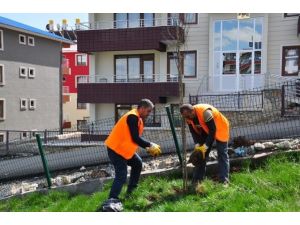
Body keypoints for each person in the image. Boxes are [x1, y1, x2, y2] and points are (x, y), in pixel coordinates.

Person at [100, 99, 161, 212]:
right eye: (148, 111)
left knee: (137, 163)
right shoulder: (132, 117)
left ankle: (131, 191)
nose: (149, 113)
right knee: (121, 175)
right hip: (116, 149)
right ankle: (112, 200)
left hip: (123, 150)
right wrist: (150, 145)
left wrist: (148, 147)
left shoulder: (138, 118)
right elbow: (135, 138)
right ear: (142, 108)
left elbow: (133, 139)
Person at [180, 103, 230, 185]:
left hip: (220, 128)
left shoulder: (205, 113)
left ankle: (224, 181)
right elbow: (193, 131)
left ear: (192, 111)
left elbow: (213, 130)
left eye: (188, 116)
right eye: (185, 117)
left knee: (222, 154)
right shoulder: (187, 117)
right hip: (205, 129)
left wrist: (206, 145)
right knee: (200, 155)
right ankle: (197, 181)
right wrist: (197, 144)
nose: (187, 118)